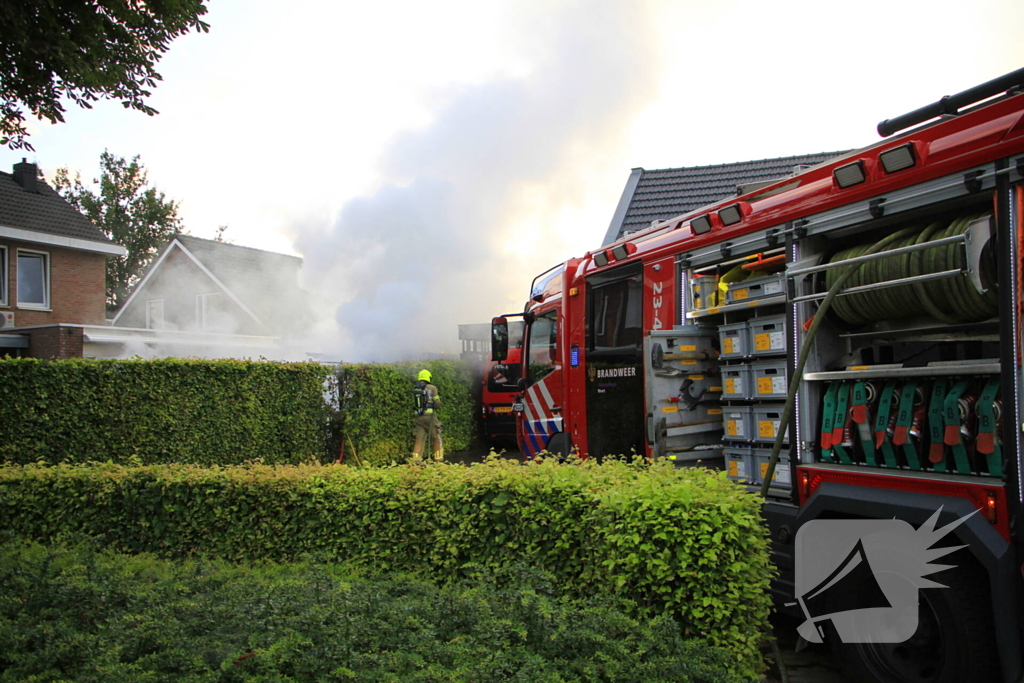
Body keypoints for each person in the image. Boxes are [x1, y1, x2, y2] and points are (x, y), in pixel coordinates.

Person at [412, 369, 443, 462]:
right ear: (428, 377)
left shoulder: (416, 388)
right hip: (430, 417)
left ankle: (416, 461)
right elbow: (437, 403)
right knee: (436, 437)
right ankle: (438, 460)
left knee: (419, 440)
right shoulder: (432, 388)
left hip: (418, 417)